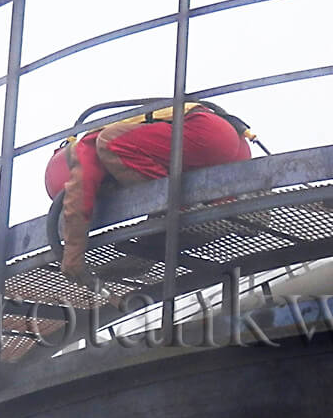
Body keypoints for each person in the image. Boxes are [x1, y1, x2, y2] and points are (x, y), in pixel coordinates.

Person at [49, 102, 253, 283]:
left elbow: (80, 195)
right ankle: (240, 211)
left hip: (204, 134)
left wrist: (73, 253)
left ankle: (170, 220)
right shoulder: (144, 138)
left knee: (109, 142)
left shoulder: (86, 146)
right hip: (233, 152)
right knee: (177, 198)